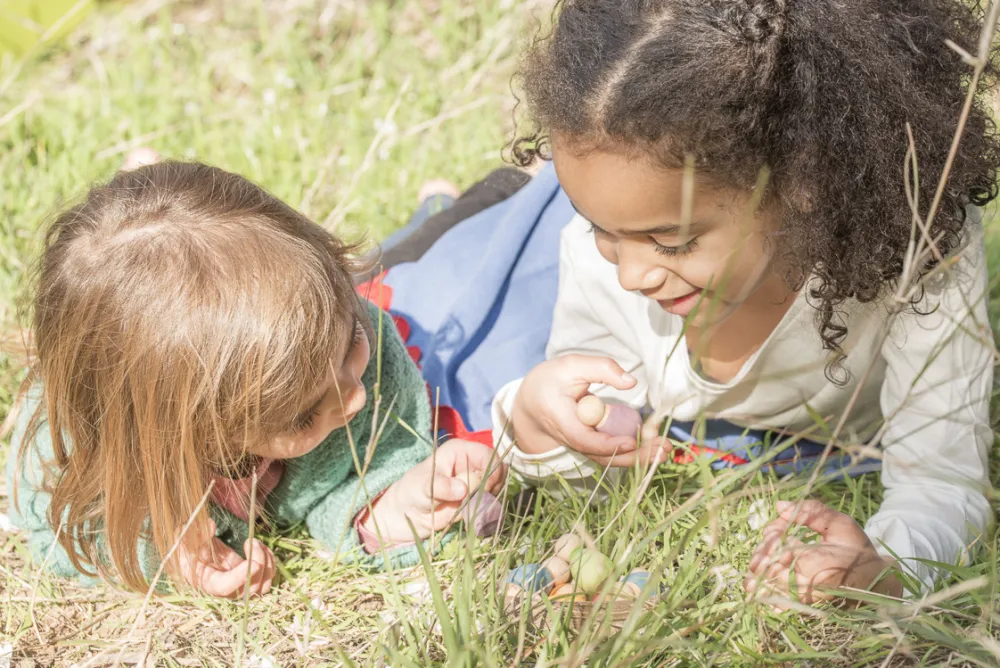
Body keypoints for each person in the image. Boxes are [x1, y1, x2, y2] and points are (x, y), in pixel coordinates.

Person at [490, 0, 999, 602]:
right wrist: (535, 419)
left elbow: (942, 482)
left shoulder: (919, 255)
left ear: (801, 180)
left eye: (670, 242)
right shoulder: (602, 249)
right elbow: (591, 474)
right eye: (600, 227)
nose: (628, 275)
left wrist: (886, 566)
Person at [5, 160, 505, 598]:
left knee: (434, 248)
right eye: (305, 413)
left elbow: (376, 462)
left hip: (402, 270)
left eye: (350, 341)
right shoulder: (72, 451)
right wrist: (173, 561)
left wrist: (396, 504)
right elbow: (64, 537)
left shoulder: (347, 330)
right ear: (188, 429)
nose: (353, 398)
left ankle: (453, 201)